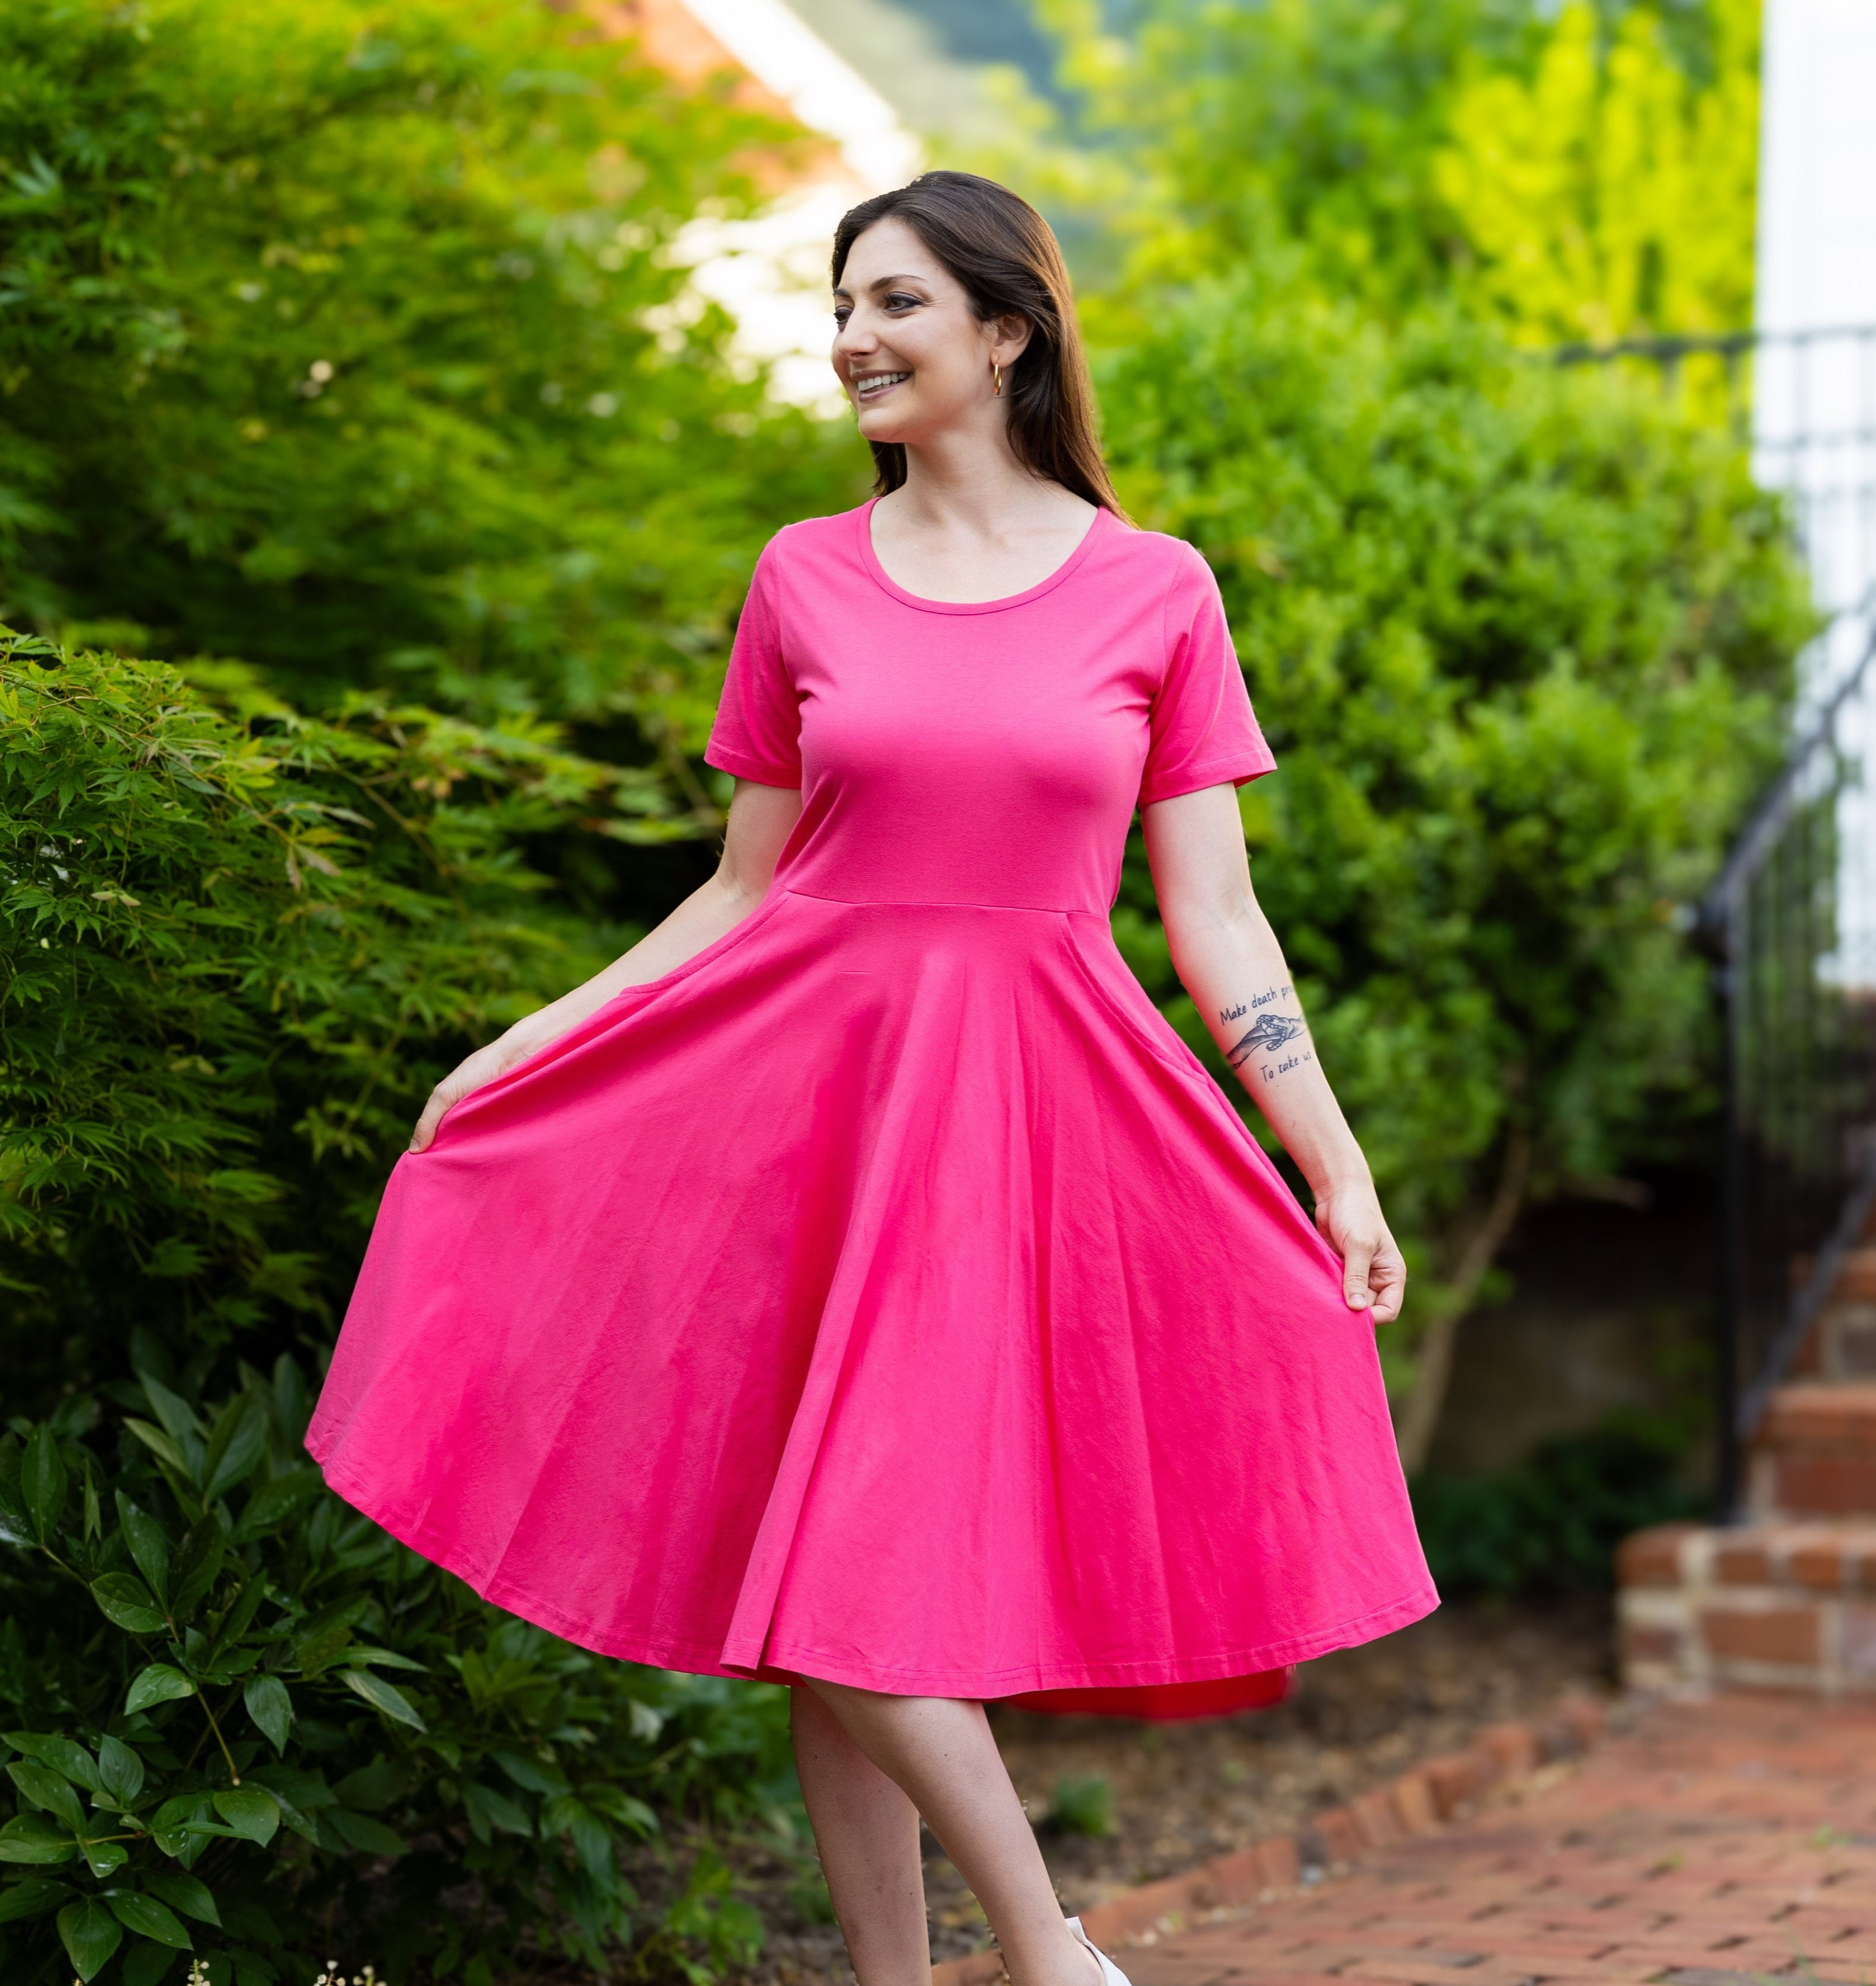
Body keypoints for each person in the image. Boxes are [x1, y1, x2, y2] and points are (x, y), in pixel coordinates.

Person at [307, 171, 1434, 1986]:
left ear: (1008, 331)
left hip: (1023, 1124)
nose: (853, 339)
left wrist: (1334, 1164)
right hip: (807, 1116)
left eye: (896, 303)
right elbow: (742, 887)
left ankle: (1045, 1958)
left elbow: (1217, 917)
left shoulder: (1156, 588)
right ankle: (1024, 1965)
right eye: (841, 306)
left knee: (853, 1578)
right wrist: (529, 1043)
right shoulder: (804, 572)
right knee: (833, 1580)